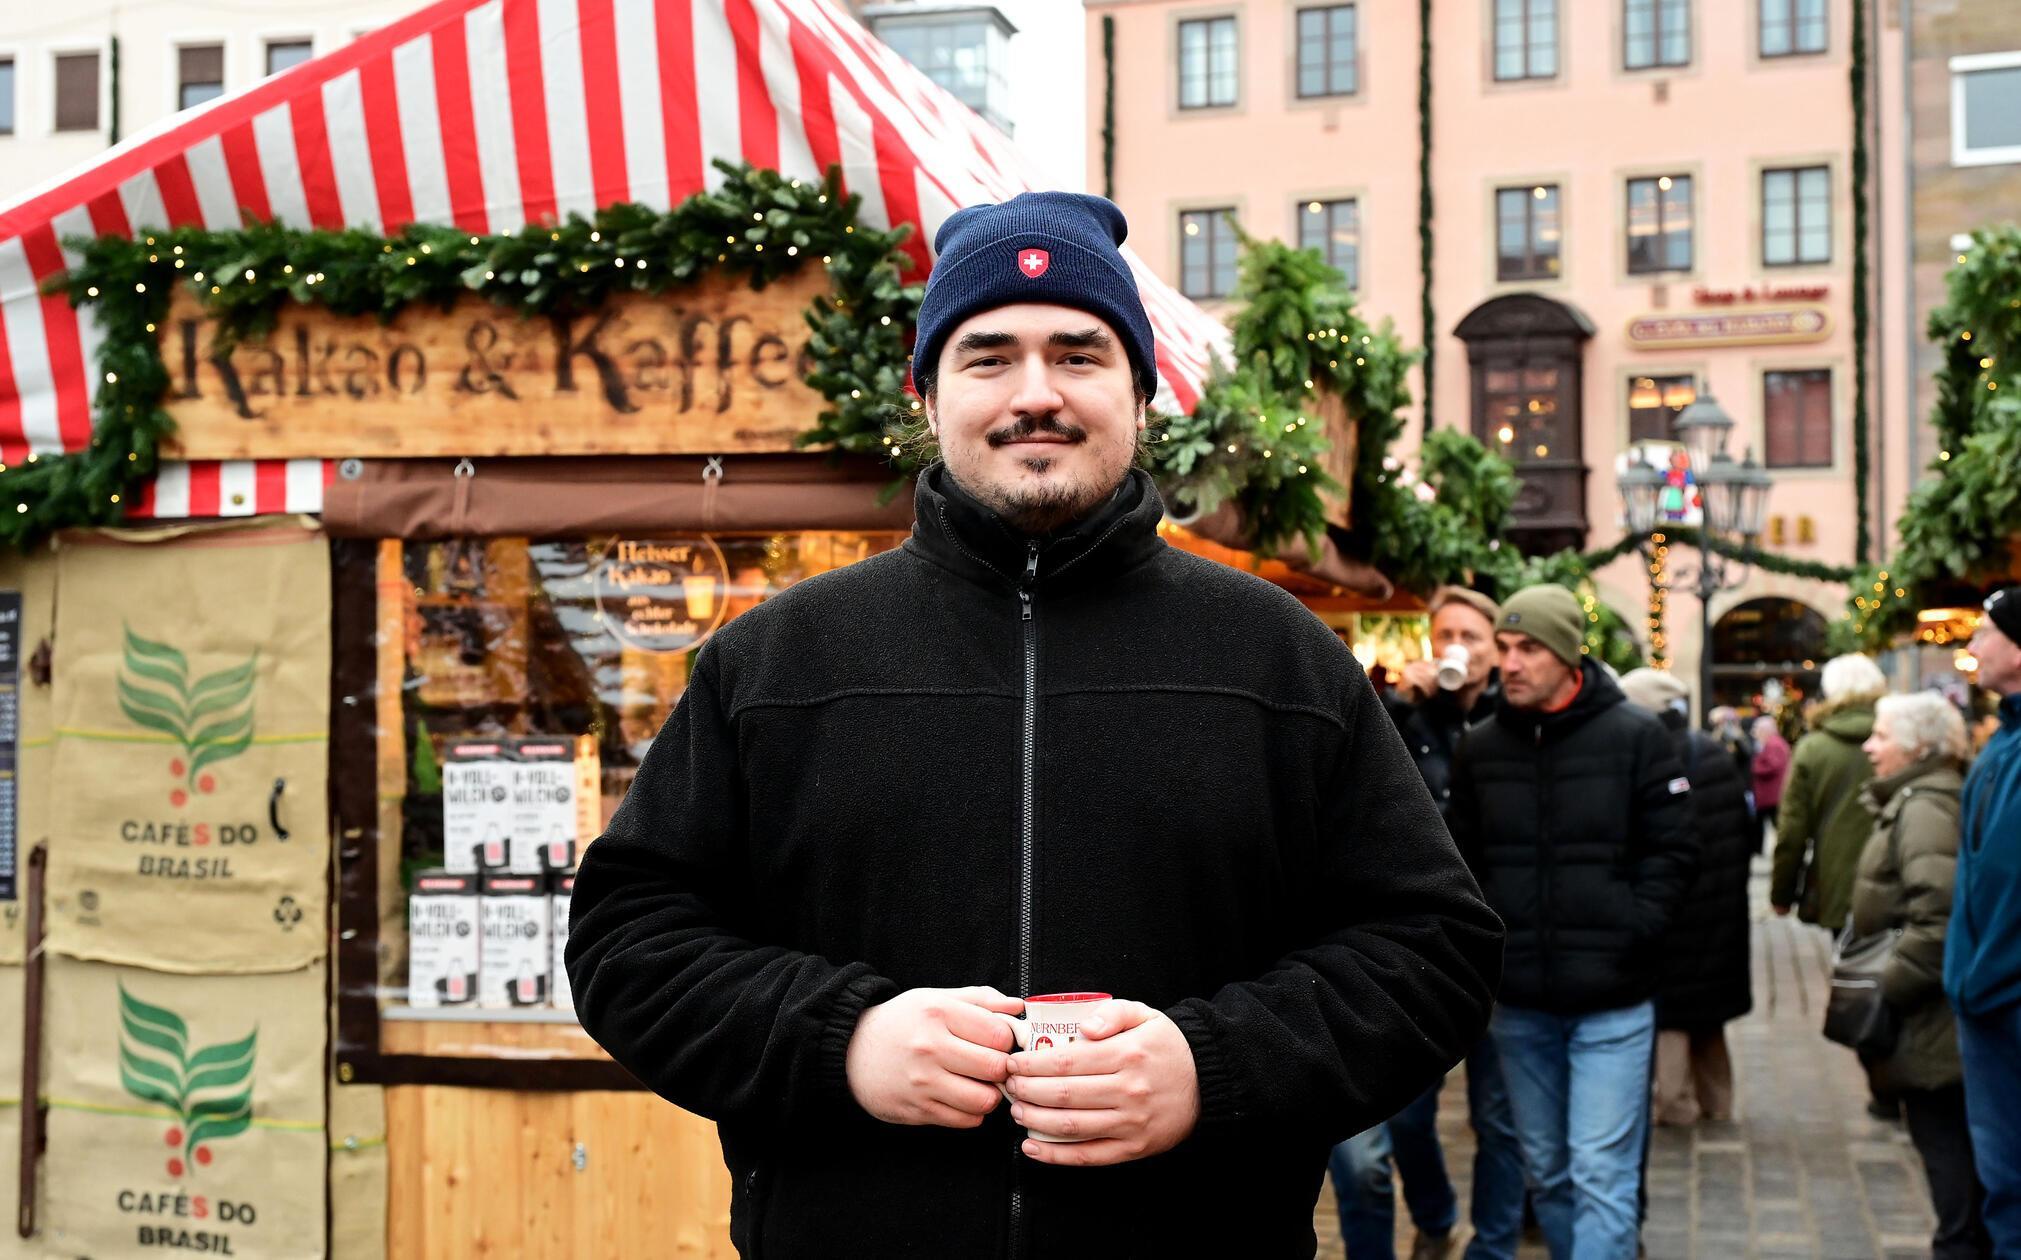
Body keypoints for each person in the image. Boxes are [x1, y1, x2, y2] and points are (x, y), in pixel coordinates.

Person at [564, 191, 1505, 1256]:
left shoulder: (1273, 656)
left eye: (1078, 354)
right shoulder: (779, 659)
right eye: (987, 357)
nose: (1035, 394)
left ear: (1139, 395)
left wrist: (1213, 1066)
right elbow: (627, 942)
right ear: (927, 395)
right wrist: (841, 1041)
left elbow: (1432, 950)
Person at [1448, 585, 1699, 1260]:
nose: (1510, 662)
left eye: (1527, 648)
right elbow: (1460, 864)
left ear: (1566, 655)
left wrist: (1632, 930)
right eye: (1503, 647)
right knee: (1550, 1174)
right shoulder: (1481, 748)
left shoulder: (1636, 737)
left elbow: (1674, 852)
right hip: (1520, 1004)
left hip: (1612, 1004)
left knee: (1599, 1173)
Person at [1328, 587, 1525, 1260]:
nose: (1456, 649)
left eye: (1471, 636)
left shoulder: (1515, 723)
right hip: (1417, 946)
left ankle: (1489, 1248)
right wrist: (1398, 706)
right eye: (1445, 635)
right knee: (1405, 1113)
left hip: (1501, 948)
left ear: (1496, 649)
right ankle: (1437, 1213)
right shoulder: (1400, 720)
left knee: (1497, 1118)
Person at [1853, 691, 1990, 1258]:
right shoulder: (1920, 796)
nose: (1869, 746)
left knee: (1953, 1172)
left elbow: (1937, 916)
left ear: (1915, 747)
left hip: (1933, 1024)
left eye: (1881, 736)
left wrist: (1887, 989)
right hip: (1934, 1021)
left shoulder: (1926, 806)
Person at [1618, 669, 1752, 1128]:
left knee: (1673, 1013)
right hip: (1720, 909)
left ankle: (1674, 1104)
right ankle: (1718, 1101)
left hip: (1678, 911)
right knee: (1708, 1014)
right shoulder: (1712, 751)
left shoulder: (1651, 756)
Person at [1947, 587, 2021, 1255]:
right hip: (1986, 996)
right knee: (2002, 1182)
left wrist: (1979, 977)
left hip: (2002, 995)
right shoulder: (2004, 739)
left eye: (1985, 634)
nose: (1971, 648)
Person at [1772, 655, 1887, 930]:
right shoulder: (1899, 735)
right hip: (1896, 876)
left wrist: (1782, 893)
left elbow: (1792, 830)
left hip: (1837, 878)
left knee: (1848, 966)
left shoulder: (1814, 748)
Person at [1751, 715, 1792, 856]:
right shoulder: (1774, 743)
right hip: (1770, 795)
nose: (1756, 733)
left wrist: (1755, 765)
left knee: (1775, 824)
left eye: (1758, 730)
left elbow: (1774, 765)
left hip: (1772, 795)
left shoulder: (1773, 744)